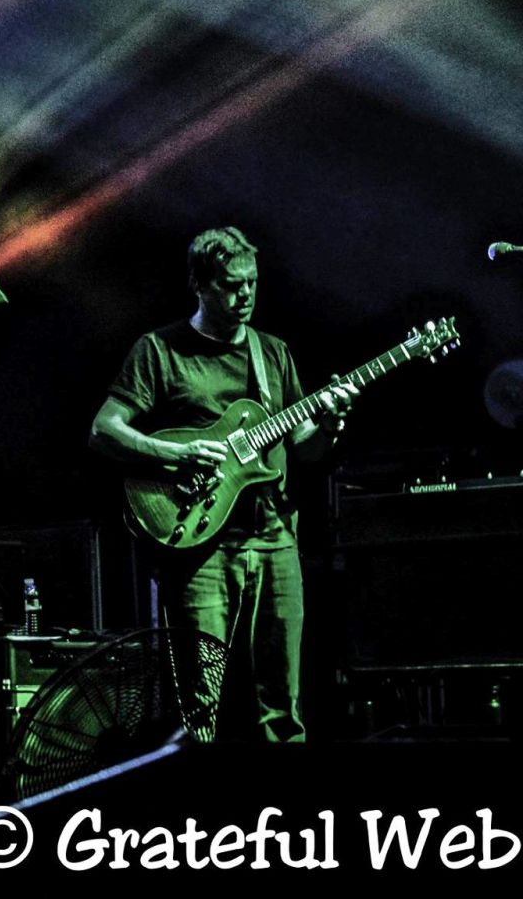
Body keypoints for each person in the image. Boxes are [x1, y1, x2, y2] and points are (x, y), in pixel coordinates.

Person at [89, 226, 356, 743]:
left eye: (252, 283)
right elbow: (104, 429)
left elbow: (303, 449)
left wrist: (328, 425)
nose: (245, 295)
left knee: (283, 708)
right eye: (232, 285)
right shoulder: (160, 351)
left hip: (275, 541)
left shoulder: (271, 353)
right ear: (199, 284)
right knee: (199, 707)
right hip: (200, 547)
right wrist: (178, 453)